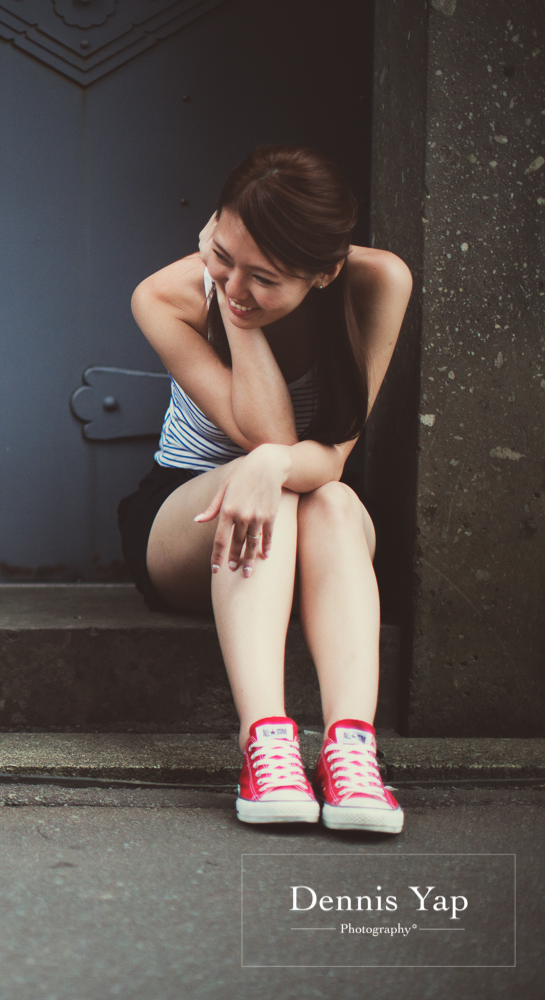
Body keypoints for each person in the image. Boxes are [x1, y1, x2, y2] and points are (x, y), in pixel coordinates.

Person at [119, 146, 411, 833]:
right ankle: (267, 744)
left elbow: (330, 458)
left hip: (313, 501)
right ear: (211, 225)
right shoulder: (165, 295)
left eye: (266, 278)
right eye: (222, 253)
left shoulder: (377, 283)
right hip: (185, 512)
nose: (235, 283)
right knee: (280, 488)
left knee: (331, 500)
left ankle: (351, 752)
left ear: (325, 272)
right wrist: (237, 314)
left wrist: (273, 466)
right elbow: (268, 435)